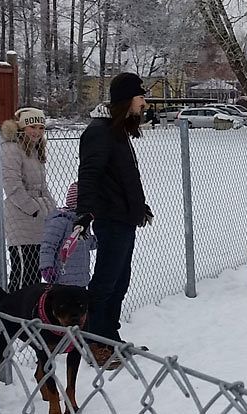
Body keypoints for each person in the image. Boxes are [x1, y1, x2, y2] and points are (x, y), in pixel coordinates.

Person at [77, 72, 153, 368]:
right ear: (126, 99)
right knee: (105, 282)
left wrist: (139, 206)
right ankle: (95, 341)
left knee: (120, 280)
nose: (144, 102)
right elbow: (90, 175)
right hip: (110, 218)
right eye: (141, 96)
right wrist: (84, 214)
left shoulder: (117, 129)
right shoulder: (99, 131)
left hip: (125, 217)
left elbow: (124, 176)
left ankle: (110, 336)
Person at [1, 107, 57, 292]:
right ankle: (10, 318)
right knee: (22, 276)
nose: (37, 132)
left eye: (41, 128)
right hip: (22, 221)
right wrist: (35, 209)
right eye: (32, 126)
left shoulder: (35, 150)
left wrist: (52, 210)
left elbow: (42, 186)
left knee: (34, 276)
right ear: (22, 127)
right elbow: (12, 186)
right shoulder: (12, 148)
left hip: (40, 220)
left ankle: (28, 317)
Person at [40, 182, 96, 286]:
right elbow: (48, 246)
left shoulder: (83, 223)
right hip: (62, 278)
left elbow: (88, 242)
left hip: (82, 280)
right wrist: (47, 267)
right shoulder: (60, 221)